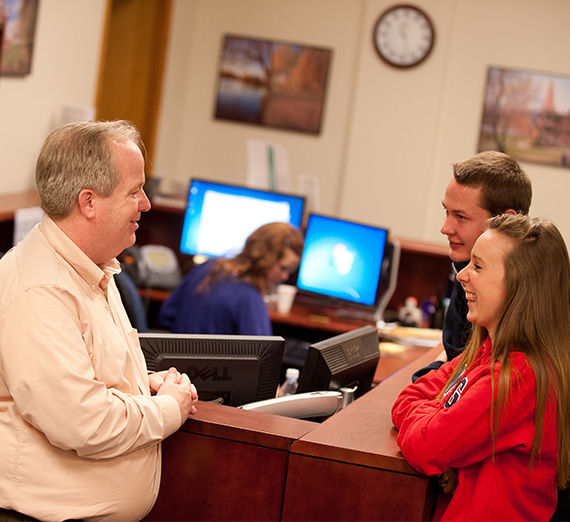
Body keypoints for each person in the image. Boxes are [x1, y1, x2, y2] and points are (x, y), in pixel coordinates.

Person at [0, 120, 199, 521]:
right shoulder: (40, 289)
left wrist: (143, 385)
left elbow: (92, 375)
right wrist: (168, 409)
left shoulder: (92, 268)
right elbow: (82, 422)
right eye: (134, 191)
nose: (145, 203)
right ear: (89, 202)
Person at [392, 214, 570, 521]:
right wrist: (445, 432)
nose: (462, 276)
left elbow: (423, 448)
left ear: (519, 287)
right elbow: (407, 398)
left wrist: (441, 431)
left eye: (478, 266)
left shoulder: (518, 377)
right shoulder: (489, 349)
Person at [412, 151, 532, 381]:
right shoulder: (464, 268)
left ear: (506, 220)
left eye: (460, 217)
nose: (445, 228)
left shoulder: (527, 299)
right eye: (446, 212)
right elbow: (454, 355)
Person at [159, 221, 304, 335]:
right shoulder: (249, 298)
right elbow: (262, 359)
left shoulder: (207, 267)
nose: (284, 276)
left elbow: (166, 315)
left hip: (175, 368)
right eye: (283, 268)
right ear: (266, 260)